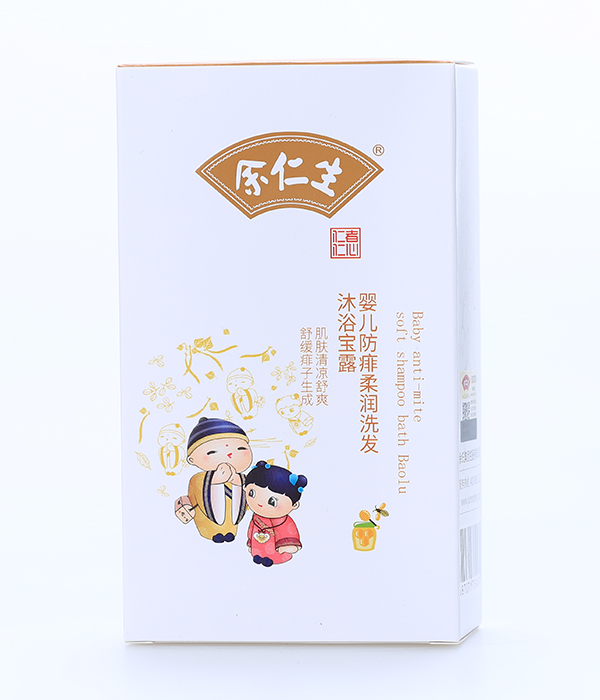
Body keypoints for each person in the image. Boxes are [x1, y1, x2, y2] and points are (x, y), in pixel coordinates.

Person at [184, 417, 253, 543]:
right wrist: (215, 482)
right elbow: (199, 499)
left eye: (240, 449)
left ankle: (230, 532)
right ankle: (212, 533)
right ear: (191, 459)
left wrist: (237, 483)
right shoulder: (198, 479)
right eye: (212, 452)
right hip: (207, 522)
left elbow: (247, 502)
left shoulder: (243, 478)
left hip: (232, 524)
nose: (229, 455)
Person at [244, 461, 307, 567]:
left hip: (278, 552)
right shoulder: (256, 516)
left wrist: (287, 545)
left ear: (294, 505)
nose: (260, 503)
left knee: (274, 555)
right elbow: (251, 529)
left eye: (272, 502)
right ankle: (259, 555)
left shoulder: (283, 520)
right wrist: (250, 543)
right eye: (251, 493)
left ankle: (272, 558)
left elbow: (287, 531)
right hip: (258, 548)